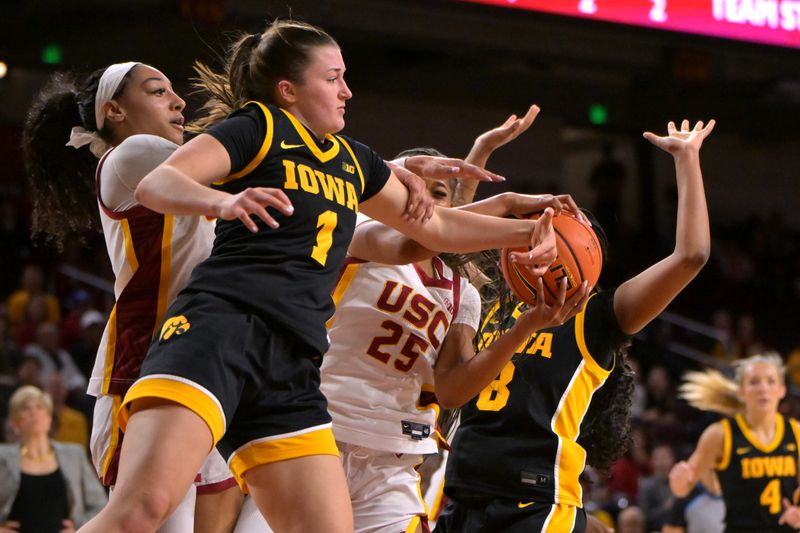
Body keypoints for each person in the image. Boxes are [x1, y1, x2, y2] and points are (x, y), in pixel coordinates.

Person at [78, 20, 561, 533]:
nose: (347, 90)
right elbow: (160, 182)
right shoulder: (257, 126)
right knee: (140, 512)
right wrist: (226, 201)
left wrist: (526, 232)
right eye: (332, 78)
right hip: (220, 330)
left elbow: (434, 227)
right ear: (288, 90)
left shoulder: (356, 161)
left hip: (293, 364)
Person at [435, 118, 715, 533]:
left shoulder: (599, 317)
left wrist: (687, 159)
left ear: (584, 252)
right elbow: (445, 240)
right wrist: (478, 153)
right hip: (461, 498)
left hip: (537, 504)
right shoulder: (490, 301)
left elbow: (690, 256)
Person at [321, 124, 588, 531]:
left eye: (438, 194)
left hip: (391, 460)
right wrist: (509, 205)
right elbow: (425, 236)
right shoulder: (361, 233)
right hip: (321, 432)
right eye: (413, 187)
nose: (424, 199)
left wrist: (526, 327)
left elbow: (452, 389)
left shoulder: (463, 292)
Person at [22, 61, 241, 532]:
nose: (178, 101)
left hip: (206, 367)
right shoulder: (132, 154)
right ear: (115, 110)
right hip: (146, 366)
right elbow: (258, 170)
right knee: (148, 520)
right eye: (158, 91)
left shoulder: (184, 173)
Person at [669, 353, 800, 531]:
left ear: (782, 390)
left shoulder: (796, 432)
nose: (763, 388)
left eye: (770, 381)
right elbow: (684, 487)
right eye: (754, 382)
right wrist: (678, 482)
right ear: (741, 391)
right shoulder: (720, 434)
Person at [0, 385, 107, 532]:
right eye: (25, 408)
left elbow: (99, 504)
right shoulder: (2, 457)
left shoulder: (74, 455)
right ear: (14, 423)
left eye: (39, 407)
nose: (33, 412)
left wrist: (79, 528)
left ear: (49, 418)